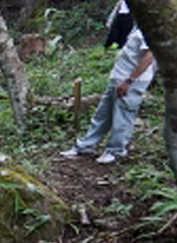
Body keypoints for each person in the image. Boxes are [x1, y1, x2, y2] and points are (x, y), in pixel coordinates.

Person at [60, 25, 156, 164]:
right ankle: (86, 146)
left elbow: (149, 56)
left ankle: (116, 151)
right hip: (119, 78)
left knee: (123, 116)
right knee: (103, 114)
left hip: (132, 81)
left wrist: (130, 80)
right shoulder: (137, 26)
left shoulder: (150, 28)